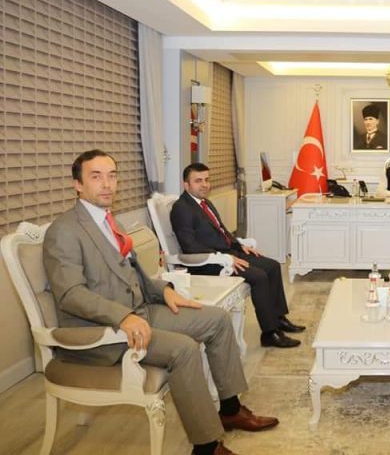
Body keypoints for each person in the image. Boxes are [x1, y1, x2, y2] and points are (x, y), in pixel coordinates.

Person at [43, 150, 275, 455]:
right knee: (184, 349)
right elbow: (71, 294)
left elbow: (135, 272)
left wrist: (164, 290)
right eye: (96, 176)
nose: (107, 184)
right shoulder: (64, 231)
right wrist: (123, 317)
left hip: (141, 311)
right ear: (77, 184)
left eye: (112, 176)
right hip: (103, 330)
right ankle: (206, 447)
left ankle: (230, 410)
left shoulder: (110, 221)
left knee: (217, 319)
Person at [171, 163, 305, 349]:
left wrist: (240, 245)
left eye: (207, 180)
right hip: (209, 262)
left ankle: (278, 318)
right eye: (198, 181)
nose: (204, 185)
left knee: (273, 266)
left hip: (227, 253)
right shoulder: (181, 208)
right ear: (186, 185)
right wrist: (223, 257)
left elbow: (223, 233)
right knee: (259, 276)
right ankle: (269, 333)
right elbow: (189, 246)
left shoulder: (205, 203)